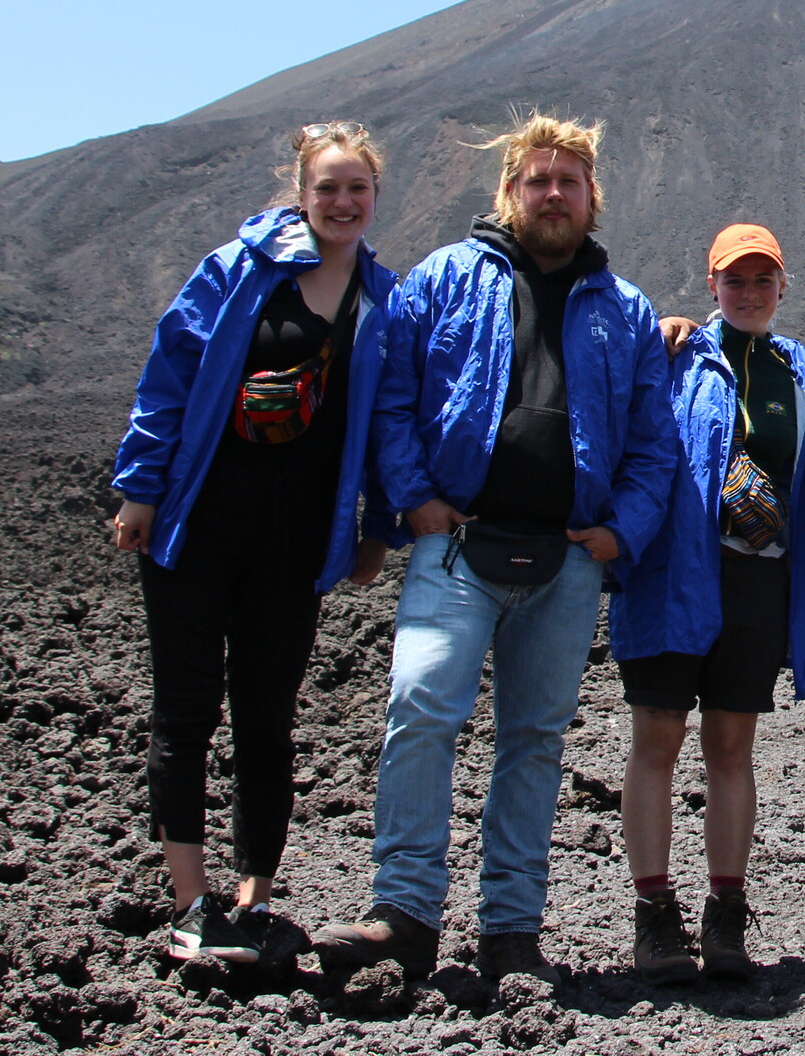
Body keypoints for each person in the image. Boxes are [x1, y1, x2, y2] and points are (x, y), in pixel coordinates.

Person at [313, 113, 677, 984]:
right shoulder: (445, 278)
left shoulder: (621, 309)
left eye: (570, 182)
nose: (554, 195)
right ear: (508, 191)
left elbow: (651, 443)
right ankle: (403, 912)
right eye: (537, 180)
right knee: (422, 707)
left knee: (535, 740)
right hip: (457, 546)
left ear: (593, 197)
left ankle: (511, 928)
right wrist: (415, 500)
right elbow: (394, 397)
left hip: (566, 562)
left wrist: (617, 532)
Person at [110, 121, 399, 963]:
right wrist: (139, 488)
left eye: (357, 190)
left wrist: (374, 529)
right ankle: (192, 902)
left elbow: (387, 424)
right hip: (199, 526)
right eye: (328, 189)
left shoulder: (381, 302)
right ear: (301, 194)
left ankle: (254, 900)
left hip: (296, 542)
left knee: (269, 723)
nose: (342, 204)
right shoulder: (239, 274)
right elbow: (170, 375)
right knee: (189, 711)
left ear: (375, 198)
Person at [608, 223, 805, 984]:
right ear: (710, 286)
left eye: (762, 280)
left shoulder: (796, 369)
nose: (748, 293)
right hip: (674, 572)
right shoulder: (672, 354)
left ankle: (726, 915)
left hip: (755, 580)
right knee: (659, 737)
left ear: (782, 287)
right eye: (733, 280)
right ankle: (654, 915)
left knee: (733, 745)